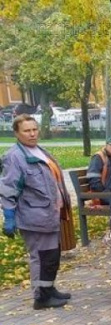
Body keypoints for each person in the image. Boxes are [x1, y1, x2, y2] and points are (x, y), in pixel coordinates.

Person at [0, 114, 72, 309]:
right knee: (40, 257)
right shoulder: (14, 157)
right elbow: (8, 189)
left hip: (49, 214)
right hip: (34, 216)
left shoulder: (39, 150)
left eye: (34, 129)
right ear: (16, 133)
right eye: (26, 131)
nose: (32, 134)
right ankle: (41, 297)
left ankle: (49, 289)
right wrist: (8, 216)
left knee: (51, 255)